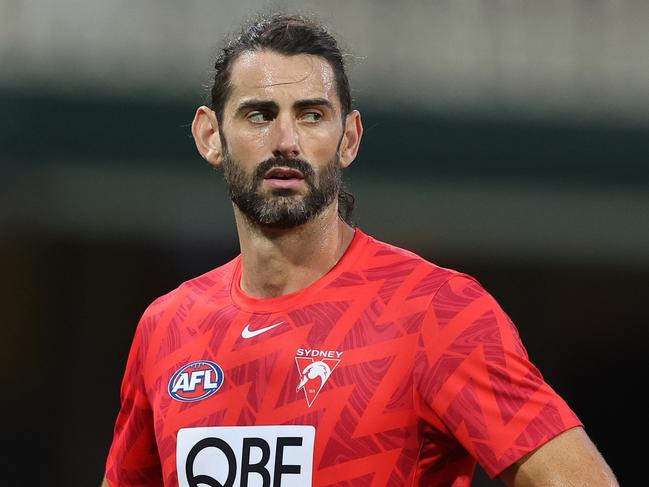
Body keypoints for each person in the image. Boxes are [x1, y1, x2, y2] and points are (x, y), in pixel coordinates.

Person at [102, 13, 618, 487]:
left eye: (311, 115)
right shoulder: (168, 328)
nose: (286, 140)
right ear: (210, 136)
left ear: (348, 137)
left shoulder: (435, 313)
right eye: (259, 115)